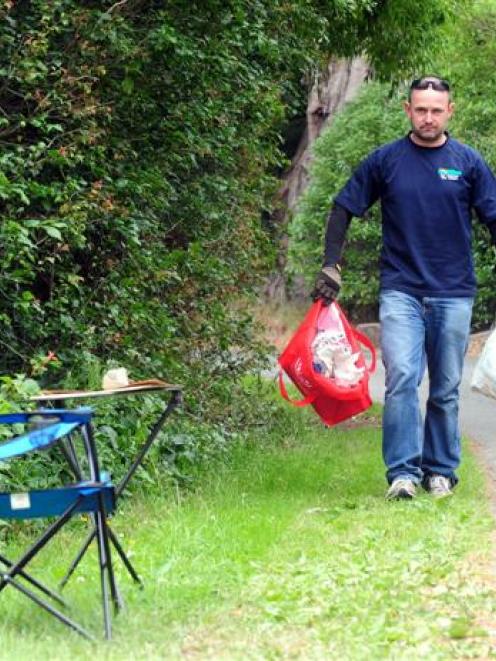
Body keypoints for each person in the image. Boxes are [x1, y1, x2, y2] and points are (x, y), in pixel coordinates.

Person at [312, 75, 496, 500]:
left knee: (446, 385)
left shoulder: (468, 163)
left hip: (453, 291)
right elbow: (343, 207)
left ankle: (441, 472)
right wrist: (331, 264)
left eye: (436, 110)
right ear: (407, 110)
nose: (428, 117)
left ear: (450, 111)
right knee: (402, 380)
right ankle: (403, 473)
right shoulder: (386, 161)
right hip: (401, 291)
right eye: (420, 109)